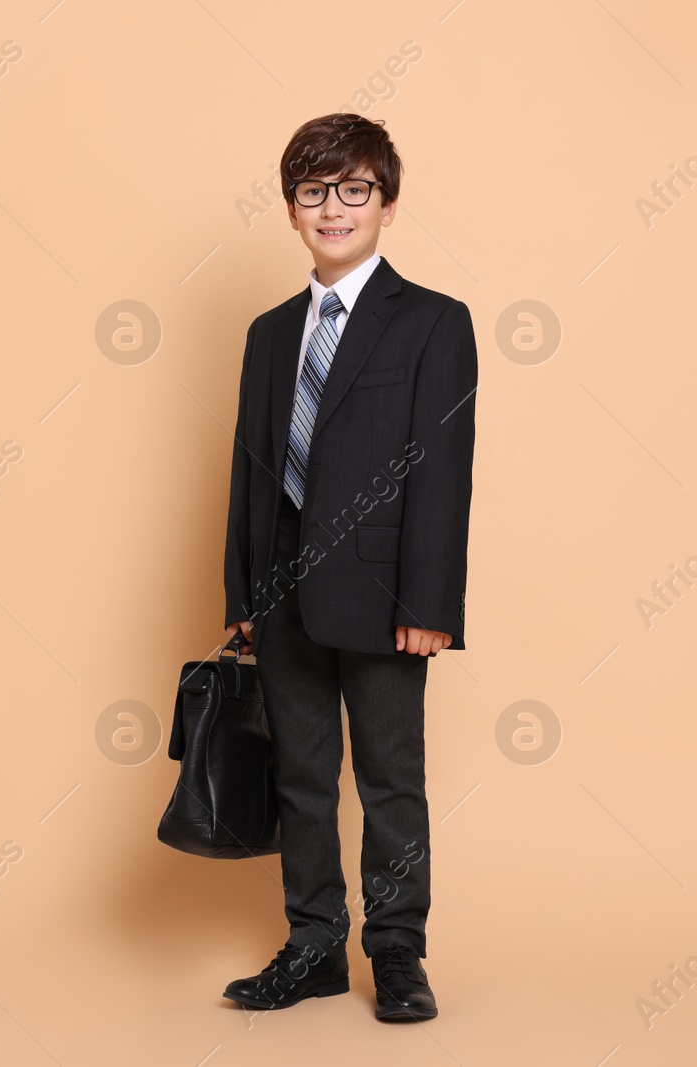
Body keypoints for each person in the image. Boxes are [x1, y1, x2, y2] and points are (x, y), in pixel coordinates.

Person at [218, 112, 477, 1022]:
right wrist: (243, 597)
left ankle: (398, 952)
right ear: (292, 210)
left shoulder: (434, 324)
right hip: (282, 589)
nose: (335, 208)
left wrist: (429, 601)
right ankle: (314, 945)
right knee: (300, 772)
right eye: (313, 191)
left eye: (354, 189)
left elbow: (443, 470)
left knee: (390, 777)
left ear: (387, 204)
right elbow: (250, 472)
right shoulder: (268, 331)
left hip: (383, 591)